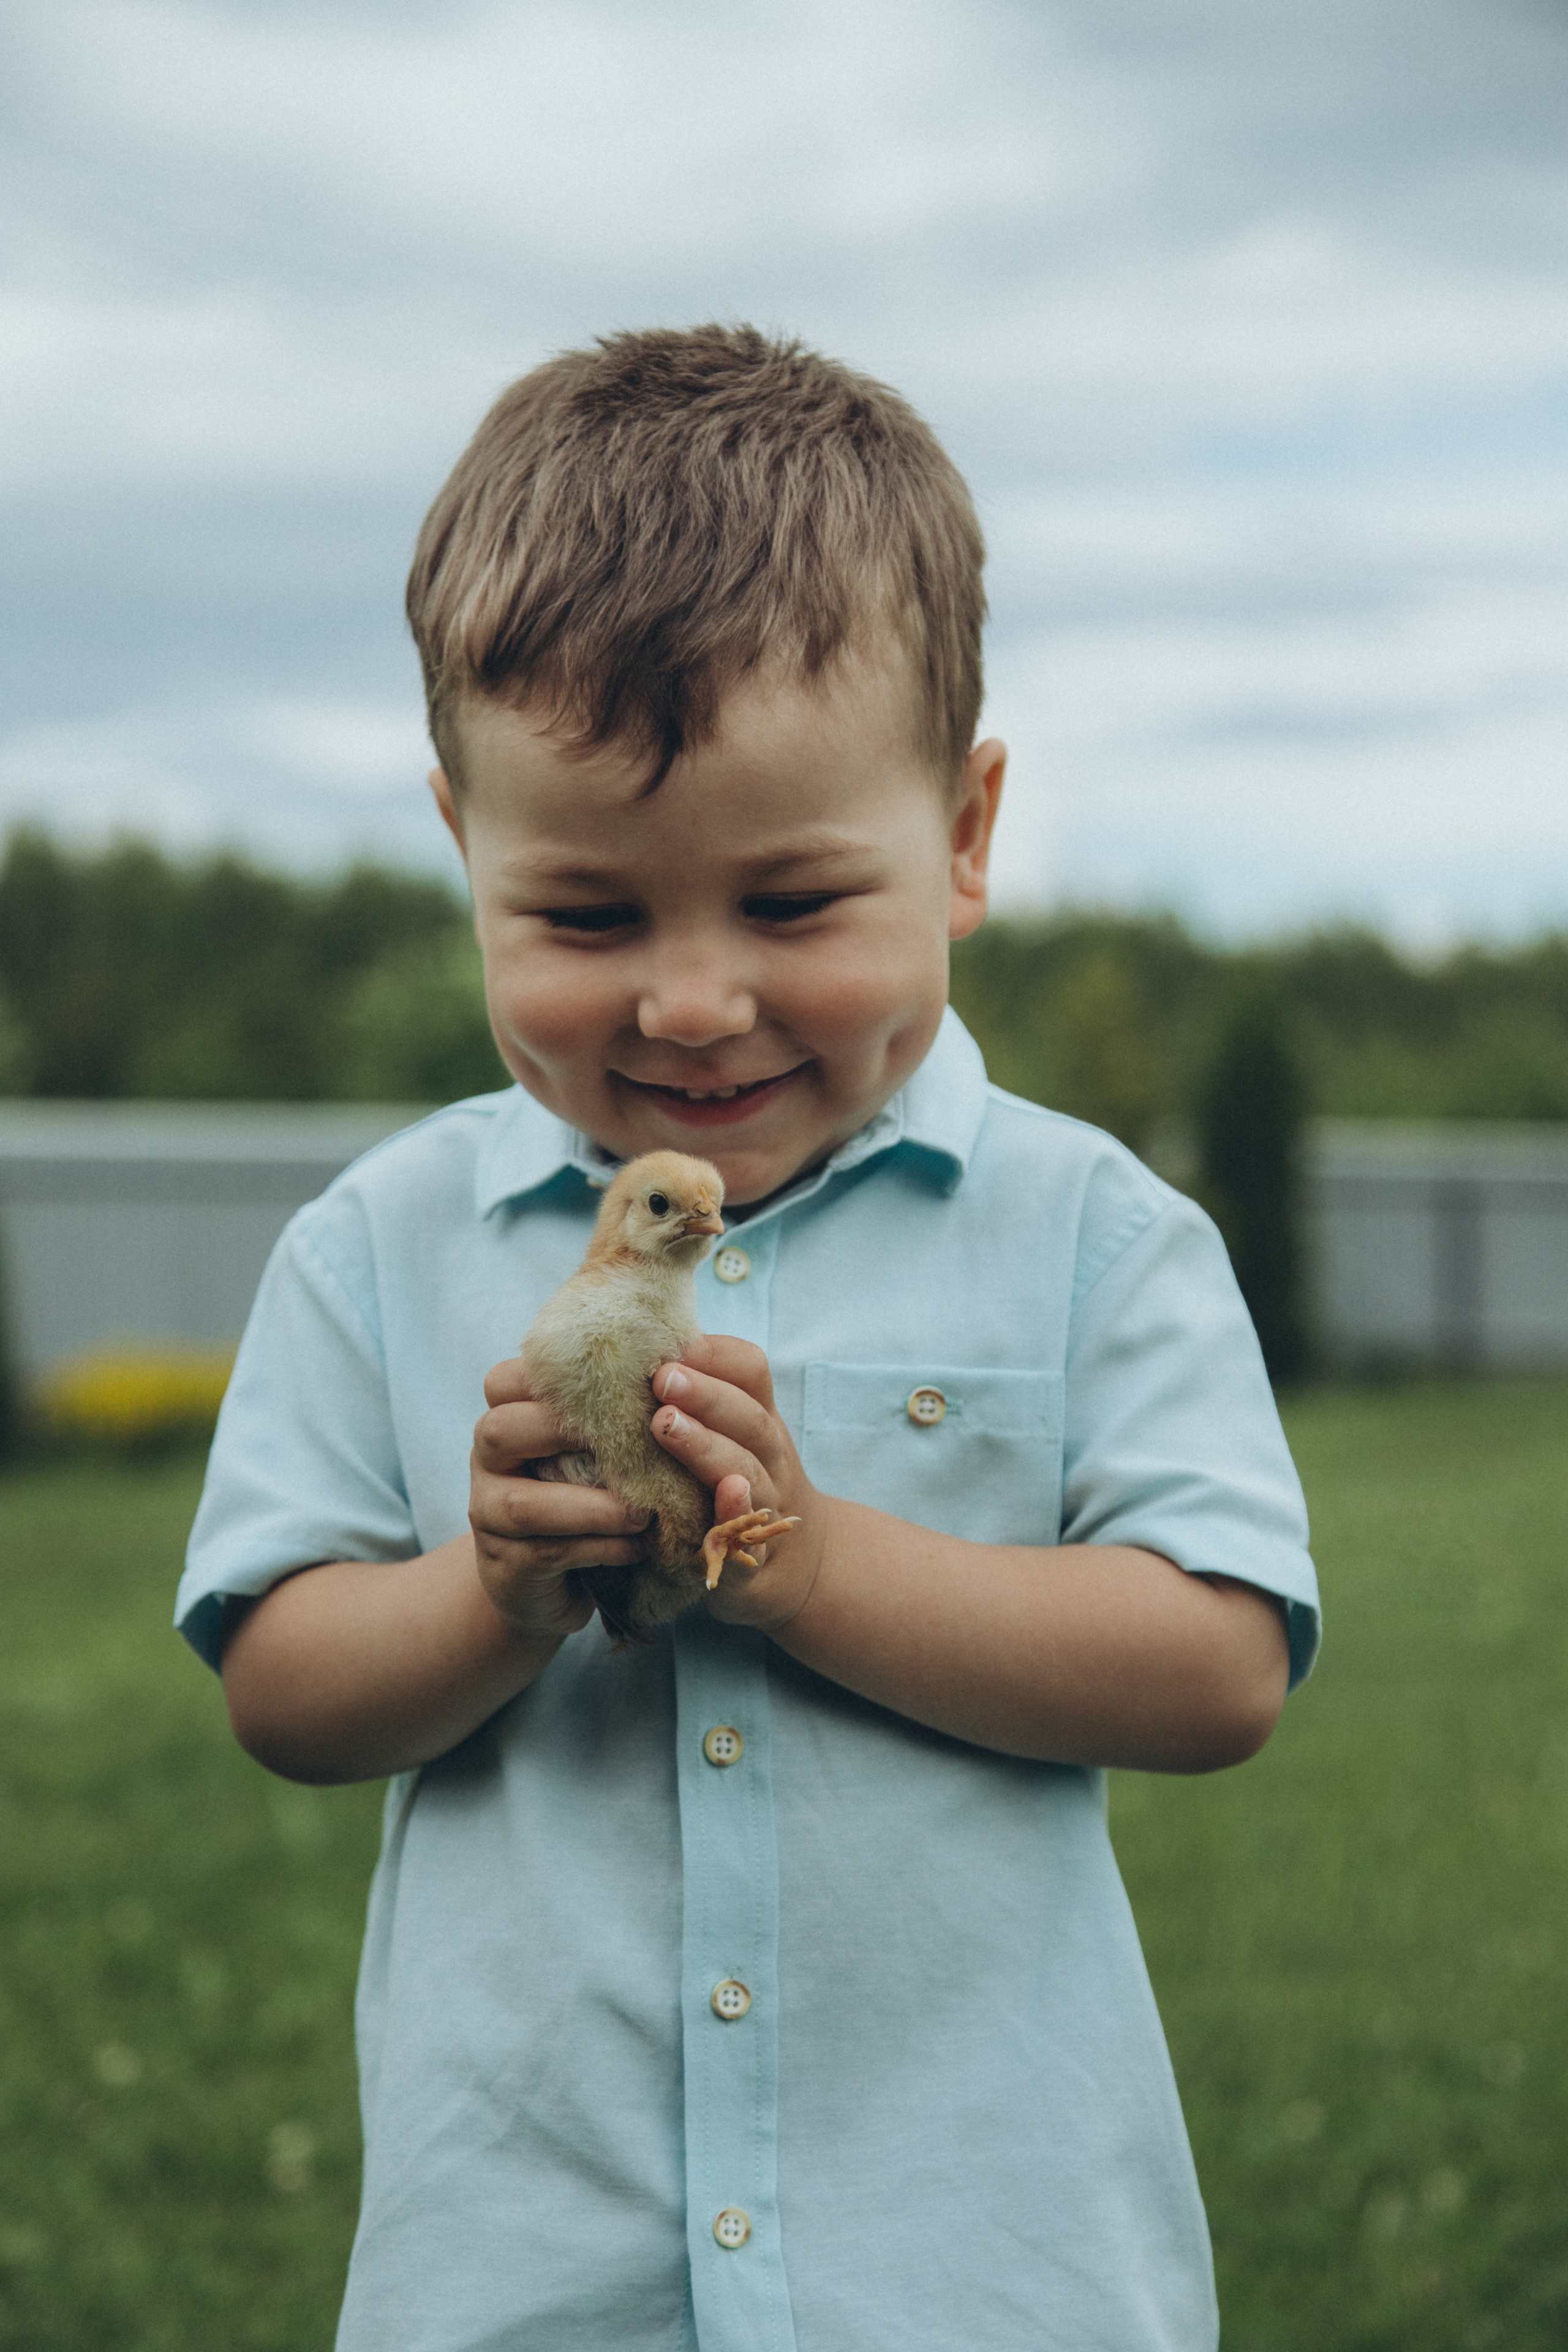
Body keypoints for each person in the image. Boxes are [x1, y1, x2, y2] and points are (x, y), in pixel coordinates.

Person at [177, 324, 1320, 2352]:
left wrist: (810, 1566)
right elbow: (283, 1687)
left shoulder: (1090, 1236)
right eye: (591, 918)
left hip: (981, 2263)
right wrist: (495, 1593)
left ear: (965, 839)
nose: (694, 1005)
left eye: (792, 903)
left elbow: (1219, 1661)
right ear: (466, 848)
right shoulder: (380, 1246)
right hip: (533, 2274)